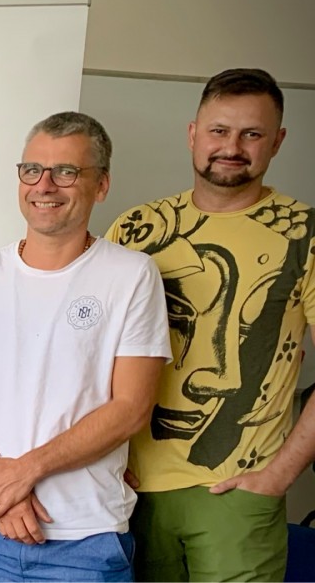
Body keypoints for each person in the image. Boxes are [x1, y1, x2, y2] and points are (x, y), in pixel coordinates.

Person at [0, 111, 172, 582]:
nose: (44, 185)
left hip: (84, 541)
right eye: (32, 170)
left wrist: (26, 471)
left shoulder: (132, 275)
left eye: (66, 172)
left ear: (101, 185)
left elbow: (131, 408)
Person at [105, 68, 315, 581]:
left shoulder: (306, 235)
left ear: (277, 142)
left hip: (238, 497)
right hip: (129, 493)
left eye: (252, 134)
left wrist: (278, 475)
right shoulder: (134, 230)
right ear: (193, 134)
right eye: (219, 131)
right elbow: (86, 353)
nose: (232, 147)